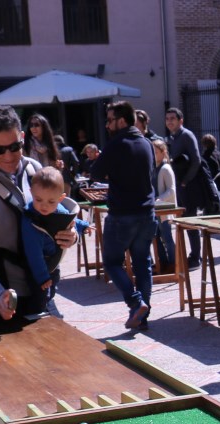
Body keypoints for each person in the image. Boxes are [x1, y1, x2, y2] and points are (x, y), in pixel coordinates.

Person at [0, 105, 79, 334]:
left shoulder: (34, 170)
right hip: (3, 302)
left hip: (40, 290)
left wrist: (70, 236)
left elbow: (55, 215)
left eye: (15, 146)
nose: (8, 156)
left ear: (23, 137)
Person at [90, 101, 157, 331]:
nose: (107, 125)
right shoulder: (146, 143)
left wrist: (112, 170)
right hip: (147, 213)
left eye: (109, 120)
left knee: (112, 262)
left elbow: (96, 172)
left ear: (122, 120)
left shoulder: (116, 144)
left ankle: (135, 302)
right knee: (142, 263)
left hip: (122, 215)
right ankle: (142, 316)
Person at [21, 166, 81, 306]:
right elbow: (33, 252)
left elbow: (69, 220)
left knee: (51, 293)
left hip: (54, 264)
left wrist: (81, 226)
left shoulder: (59, 210)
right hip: (39, 268)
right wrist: (42, 277)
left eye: (51, 202)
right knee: (40, 300)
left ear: (61, 199)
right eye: (38, 199)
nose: (44, 206)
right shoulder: (31, 219)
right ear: (32, 193)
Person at [165, 108, 218, 264]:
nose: (169, 121)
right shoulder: (172, 137)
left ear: (181, 120)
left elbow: (196, 161)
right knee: (184, 220)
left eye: (172, 118)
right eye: (167, 118)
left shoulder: (186, 135)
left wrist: (185, 181)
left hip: (189, 186)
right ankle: (192, 255)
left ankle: (196, 256)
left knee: (190, 220)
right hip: (180, 185)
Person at [150, 137, 178, 272]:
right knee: (155, 237)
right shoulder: (153, 168)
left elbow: (171, 190)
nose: (153, 155)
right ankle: (162, 263)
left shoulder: (166, 168)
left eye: (155, 152)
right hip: (155, 210)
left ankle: (173, 263)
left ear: (163, 152)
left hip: (164, 211)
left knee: (167, 238)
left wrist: (158, 200)